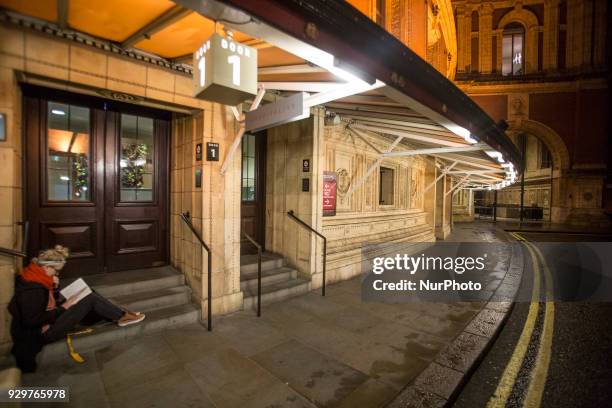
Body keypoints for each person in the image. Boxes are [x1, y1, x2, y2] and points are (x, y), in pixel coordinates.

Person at [8, 245, 145, 372]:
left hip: (50, 319)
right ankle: (121, 316)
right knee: (89, 298)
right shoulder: (33, 290)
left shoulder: (36, 276)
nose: (56, 275)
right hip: (44, 332)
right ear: (46, 267)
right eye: (56, 271)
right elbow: (32, 320)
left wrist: (55, 288)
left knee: (86, 291)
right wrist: (65, 307)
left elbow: (47, 303)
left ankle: (120, 314)